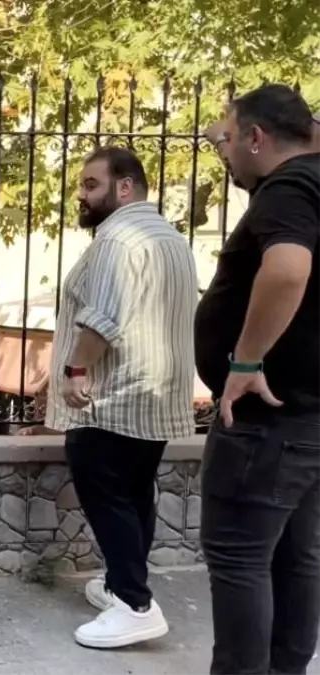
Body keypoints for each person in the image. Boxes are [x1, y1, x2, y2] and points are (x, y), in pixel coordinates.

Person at [45, 146, 197, 649]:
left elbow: (102, 318)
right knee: (134, 494)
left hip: (112, 396)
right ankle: (120, 585)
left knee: (106, 491)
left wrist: (76, 370)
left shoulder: (117, 238)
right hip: (156, 396)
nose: (82, 195)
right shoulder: (170, 238)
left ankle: (134, 604)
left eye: (91, 185)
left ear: (125, 187)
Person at [196, 84, 320, 675]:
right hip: (308, 421)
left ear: (256, 137)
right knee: (297, 558)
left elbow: (288, 270)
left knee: (240, 560)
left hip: (268, 421)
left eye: (225, 139)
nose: (222, 152)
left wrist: (245, 363)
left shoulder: (288, 188)